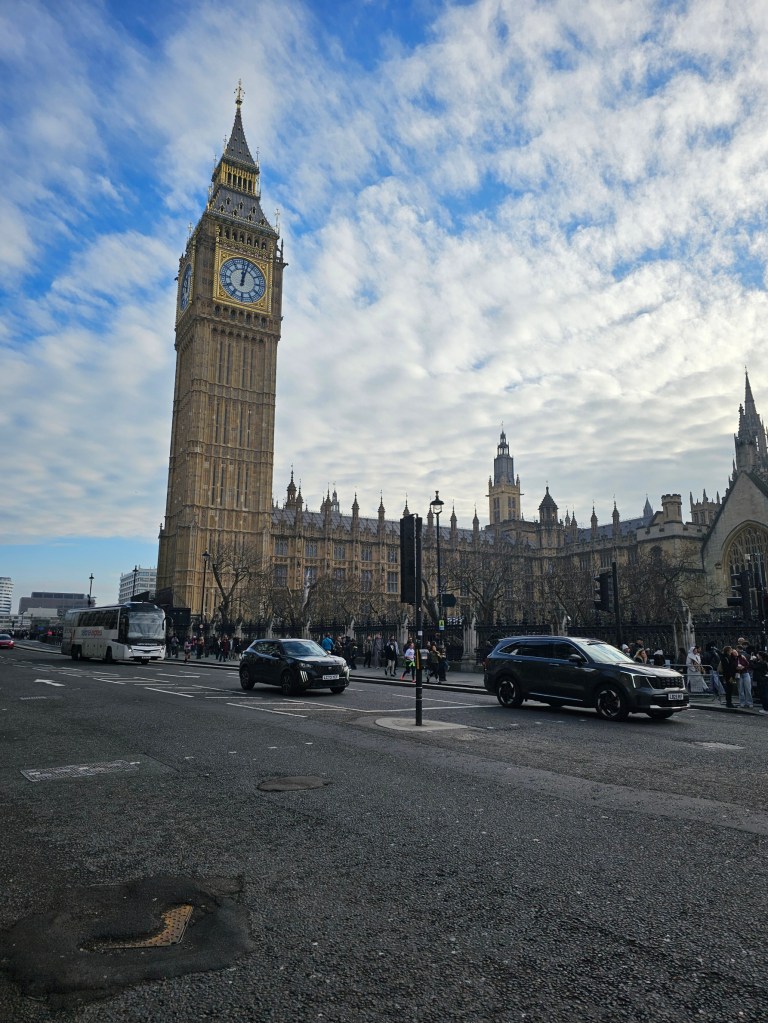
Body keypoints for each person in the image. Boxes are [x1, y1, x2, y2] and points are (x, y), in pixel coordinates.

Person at [736, 639, 753, 709]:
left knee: (746, 689)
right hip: (741, 673)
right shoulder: (735, 657)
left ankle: (747, 702)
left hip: (745, 672)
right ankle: (744, 703)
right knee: (742, 690)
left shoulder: (746, 656)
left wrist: (743, 667)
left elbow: (750, 665)